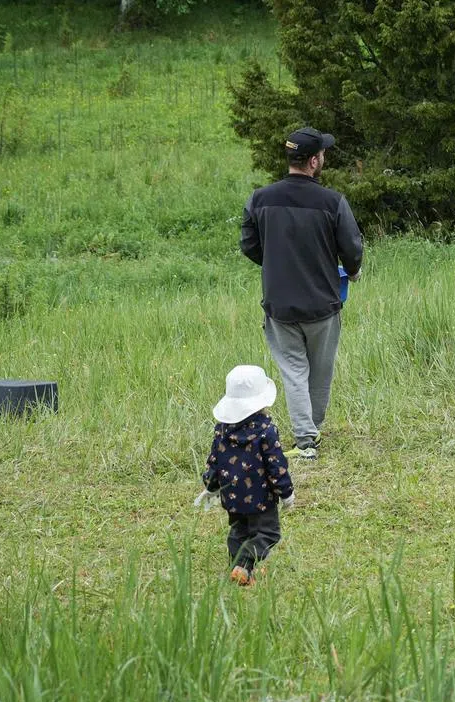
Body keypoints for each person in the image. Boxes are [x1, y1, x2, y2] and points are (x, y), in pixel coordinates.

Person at [239, 126, 364, 460]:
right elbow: (352, 248)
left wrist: (276, 264)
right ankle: (311, 431)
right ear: (313, 161)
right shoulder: (333, 201)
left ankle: (306, 438)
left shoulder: (259, 199)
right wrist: (352, 271)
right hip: (323, 303)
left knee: (294, 371)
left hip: (279, 305)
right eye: (322, 154)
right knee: (320, 371)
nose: (323, 158)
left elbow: (248, 244)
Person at [195, 365, 294, 586]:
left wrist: (210, 487)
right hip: (261, 498)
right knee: (268, 533)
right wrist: (286, 492)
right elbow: (276, 465)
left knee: (239, 530)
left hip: (231, 496)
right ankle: (245, 562)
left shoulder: (222, 429)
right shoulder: (266, 430)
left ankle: (239, 570)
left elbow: (215, 460)